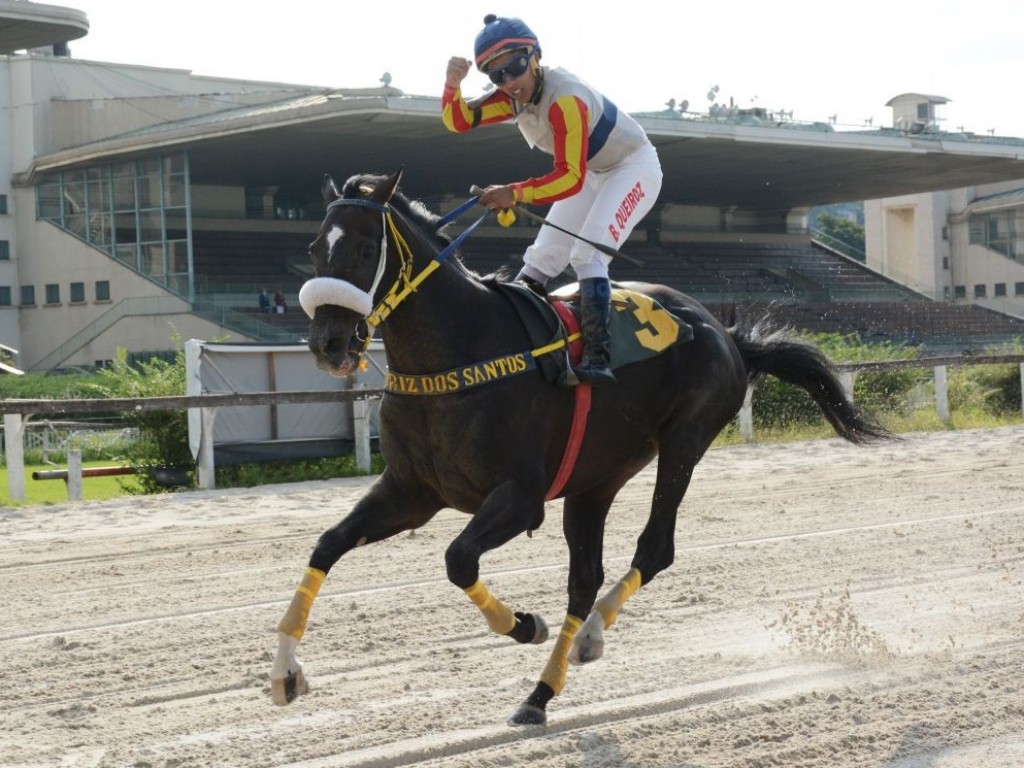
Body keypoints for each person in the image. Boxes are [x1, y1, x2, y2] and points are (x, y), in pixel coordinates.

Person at [442, 14, 663, 385]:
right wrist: (452, 85)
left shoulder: (566, 101)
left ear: (535, 57)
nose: (510, 83)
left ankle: (598, 356)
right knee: (541, 257)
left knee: (587, 256)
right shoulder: (513, 98)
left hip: (631, 167)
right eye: (498, 76)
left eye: (515, 68)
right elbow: (459, 120)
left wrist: (513, 193)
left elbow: (569, 178)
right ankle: (513, 341)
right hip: (592, 172)